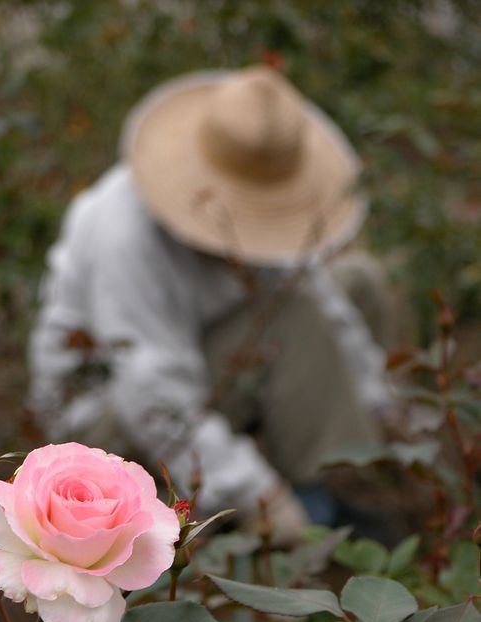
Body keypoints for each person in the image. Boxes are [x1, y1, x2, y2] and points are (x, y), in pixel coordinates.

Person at [28, 66, 398, 546]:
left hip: (205, 368)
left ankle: (351, 468)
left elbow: (333, 310)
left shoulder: (268, 217)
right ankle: (335, 503)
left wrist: (386, 410)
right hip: (111, 419)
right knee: (294, 315)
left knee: (356, 282)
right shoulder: (122, 235)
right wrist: (261, 498)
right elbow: (152, 393)